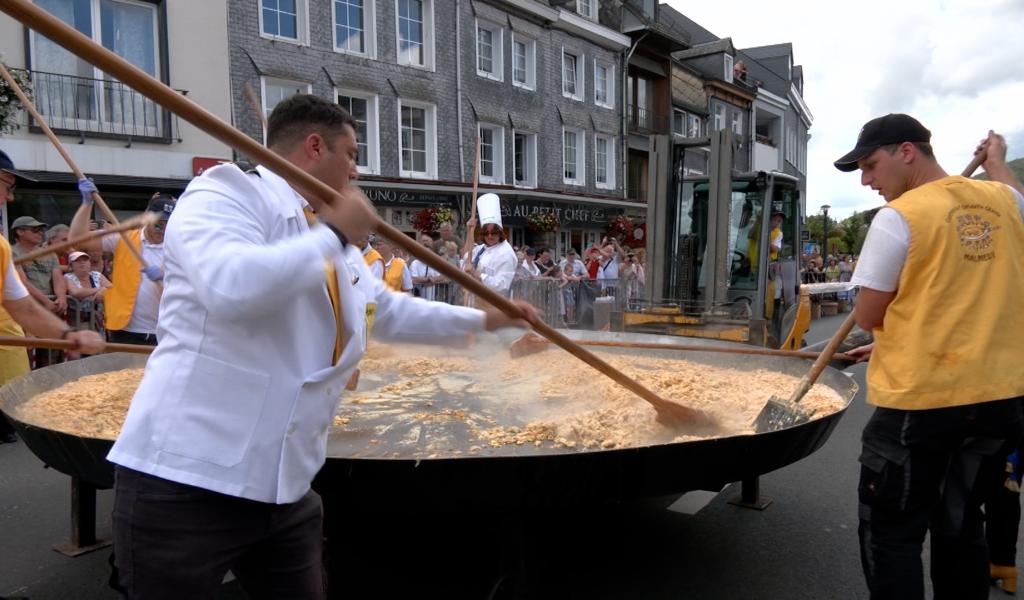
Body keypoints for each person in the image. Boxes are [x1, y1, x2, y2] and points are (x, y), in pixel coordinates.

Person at [104, 94, 536, 598]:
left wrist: (488, 320)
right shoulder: (225, 193)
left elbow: (387, 313)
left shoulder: (329, 237)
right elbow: (230, 286)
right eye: (351, 154)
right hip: (186, 478)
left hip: (287, 485)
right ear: (315, 146)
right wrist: (334, 234)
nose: (355, 168)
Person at [835, 116, 1024, 600]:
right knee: (961, 524)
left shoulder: (900, 216)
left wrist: (886, 330)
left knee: (890, 530)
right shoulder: (1006, 202)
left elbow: (871, 312)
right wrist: (999, 163)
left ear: (906, 152)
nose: (867, 180)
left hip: (921, 409)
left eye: (871, 165)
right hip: (1001, 402)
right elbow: (961, 302)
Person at [0, 150, 104, 444]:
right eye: (7, 187)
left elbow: (24, 309)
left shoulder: (1, 248)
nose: (9, 198)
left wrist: (70, 334)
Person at [69, 190, 173, 346]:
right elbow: (77, 239)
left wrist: (165, 276)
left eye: (169, 225)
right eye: (159, 225)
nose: (163, 231)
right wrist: (87, 204)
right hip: (125, 330)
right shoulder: (123, 238)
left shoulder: (179, 247)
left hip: (166, 331)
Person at [463, 193, 518, 299]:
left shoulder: (506, 254)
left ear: (500, 232)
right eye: (485, 233)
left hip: (494, 304)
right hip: (475, 299)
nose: (489, 236)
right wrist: (469, 231)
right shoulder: (482, 249)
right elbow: (466, 256)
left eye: (493, 233)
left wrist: (476, 274)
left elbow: (502, 285)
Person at [64, 250, 111, 333]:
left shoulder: (97, 275)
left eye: (85, 260)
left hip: (100, 319)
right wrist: (99, 290)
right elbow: (75, 292)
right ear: (71, 265)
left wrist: (103, 290)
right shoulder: (68, 277)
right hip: (79, 320)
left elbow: (111, 288)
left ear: (89, 263)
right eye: (77, 261)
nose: (82, 263)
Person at [409, 233, 441, 300]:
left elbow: (442, 276)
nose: (426, 243)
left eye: (428, 241)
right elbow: (413, 278)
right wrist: (428, 279)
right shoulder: (415, 263)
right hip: (418, 298)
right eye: (424, 241)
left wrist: (434, 279)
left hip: (433, 299)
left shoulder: (435, 262)